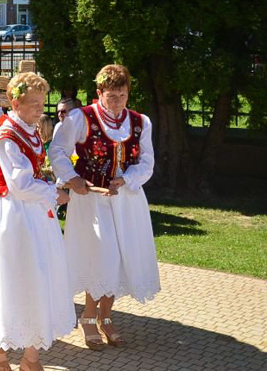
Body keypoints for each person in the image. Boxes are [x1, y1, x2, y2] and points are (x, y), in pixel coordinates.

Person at [49, 64, 159, 351]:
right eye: (111, 96)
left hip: (128, 201)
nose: (117, 102)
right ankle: (87, 317)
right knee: (101, 255)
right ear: (99, 93)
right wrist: (72, 179)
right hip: (92, 201)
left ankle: (106, 318)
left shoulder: (139, 122)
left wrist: (126, 180)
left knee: (122, 257)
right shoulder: (81, 118)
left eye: (122, 95)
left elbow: (146, 161)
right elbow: (57, 150)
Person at [0, 72, 73, 371]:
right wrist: (52, 192)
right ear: (15, 103)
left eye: (41, 103)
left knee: (37, 279)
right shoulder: (6, 137)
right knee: (10, 280)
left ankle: (31, 357)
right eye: (33, 103)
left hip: (33, 215)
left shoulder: (30, 129)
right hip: (12, 216)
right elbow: (18, 183)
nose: (39, 109)